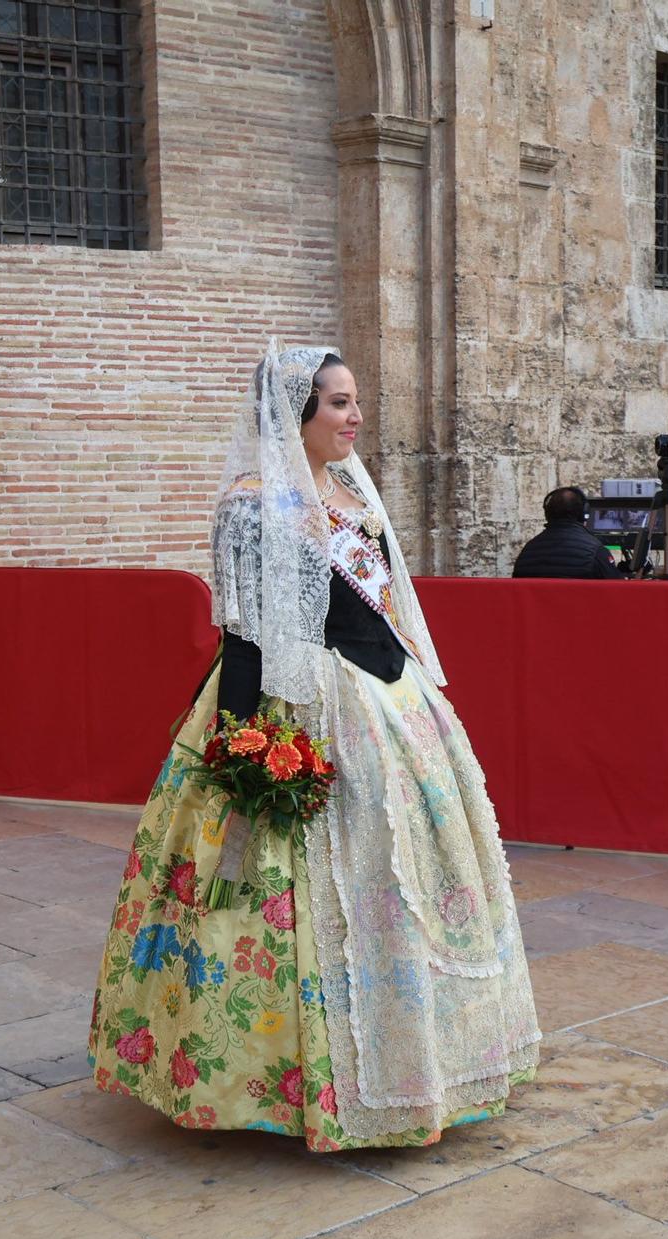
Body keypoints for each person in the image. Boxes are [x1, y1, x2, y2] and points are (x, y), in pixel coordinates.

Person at [87, 344, 541, 1150]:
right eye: (337, 403)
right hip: (299, 706)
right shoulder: (251, 505)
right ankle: (279, 1080)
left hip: (385, 702)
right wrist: (237, 745)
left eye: (355, 400)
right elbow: (249, 637)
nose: (355, 416)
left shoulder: (352, 490)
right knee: (278, 894)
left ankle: (423, 1058)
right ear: (292, 414)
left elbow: (388, 606)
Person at [511, 486, 623, 579]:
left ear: (547, 514)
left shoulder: (528, 552)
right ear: (583, 513)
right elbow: (618, 592)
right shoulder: (595, 551)